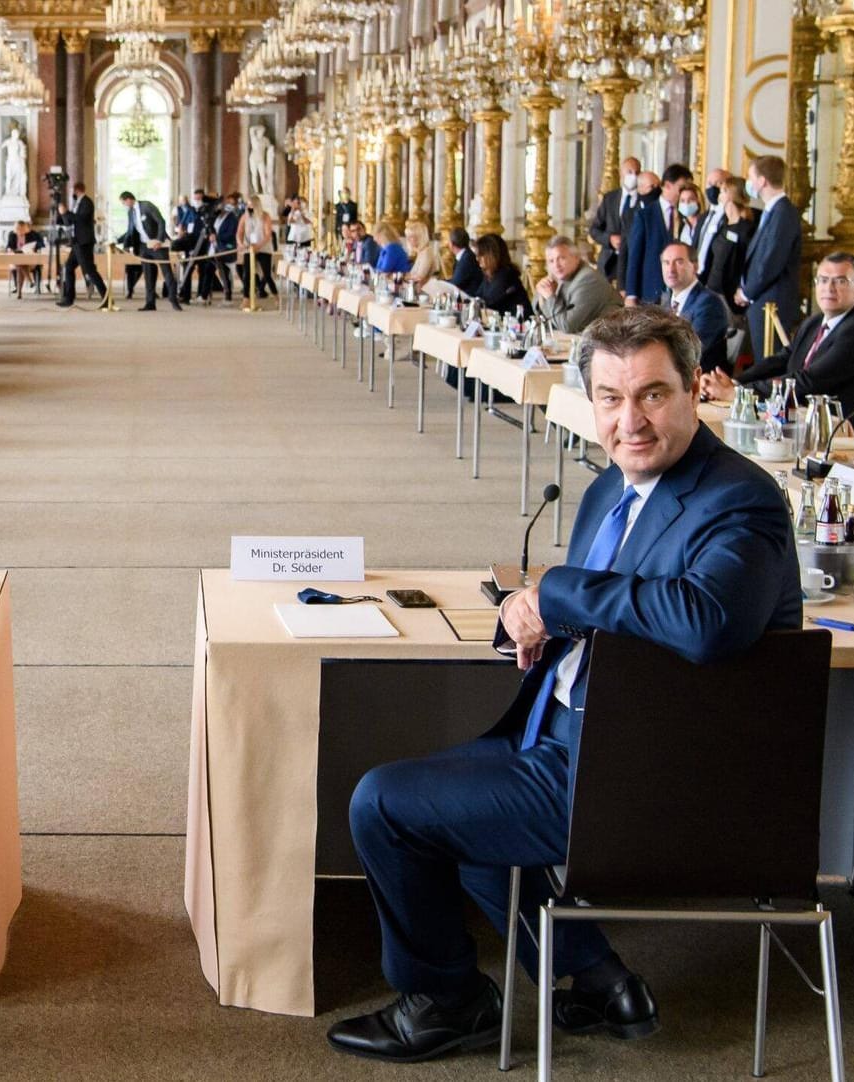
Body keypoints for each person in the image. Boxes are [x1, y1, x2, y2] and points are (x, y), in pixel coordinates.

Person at [326, 306, 800, 1066]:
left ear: (694, 394)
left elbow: (709, 618)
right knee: (460, 815)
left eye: (651, 394)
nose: (630, 420)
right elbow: (602, 605)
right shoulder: (613, 488)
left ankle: (447, 1003)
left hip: (641, 776)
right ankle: (599, 979)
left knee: (383, 803)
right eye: (610, 399)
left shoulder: (738, 500)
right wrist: (536, 617)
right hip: (571, 736)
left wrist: (559, 593)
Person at [699, 252, 854, 437]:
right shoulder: (814, 323)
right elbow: (782, 360)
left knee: (734, 432)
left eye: (840, 281)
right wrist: (736, 383)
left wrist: (740, 394)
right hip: (803, 413)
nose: (829, 288)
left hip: (842, 422)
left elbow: (810, 380)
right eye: (823, 280)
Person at [736, 155, 802, 362]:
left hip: (773, 303)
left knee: (769, 364)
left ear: (762, 181)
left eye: (751, 177)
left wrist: (747, 292)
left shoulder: (784, 212)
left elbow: (771, 261)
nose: (749, 182)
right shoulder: (773, 211)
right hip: (762, 302)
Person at [658, 241, 730, 374]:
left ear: (695, 266)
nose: (671, 269)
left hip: (701, 382)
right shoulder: (666, 302)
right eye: (666, 263)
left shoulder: (709, 303)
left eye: (678, 262)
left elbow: (691, 352)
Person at [533, 235, 621, 333]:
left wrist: (550, 297)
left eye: (561, 258)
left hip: (609, 341)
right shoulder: (561, 276)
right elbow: (541, 319)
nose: (556, 265)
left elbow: (567, 326)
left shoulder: (588, 279)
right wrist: (542, 293)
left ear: (576, 258)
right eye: (551, 261)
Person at [117, 191, 182, 311]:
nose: (124, 205)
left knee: (167, 272)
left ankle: (173, 300)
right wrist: (119, 242)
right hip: (144, 246)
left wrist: (159, 240)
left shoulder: (147, 206)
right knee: (148, 274)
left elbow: (161, 221)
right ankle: (150, 302)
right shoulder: (130, 212)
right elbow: (131, 231)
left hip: (158, 244)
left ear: (129, 199)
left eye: (123, 203)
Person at [699, 178, 757, 312]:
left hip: (728, 295)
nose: (719, 194)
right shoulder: (723, 224)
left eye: (723, 191)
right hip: (711, 290)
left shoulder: (746, 229)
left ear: (732, 194)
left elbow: (748, 262)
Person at [587, 156, 641, 284]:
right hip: (609, 263)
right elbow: (594, 230)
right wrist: (610, 239)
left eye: (637, 172)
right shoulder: (610, 198)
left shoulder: (644, 200)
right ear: (621, 173)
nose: (633, 176)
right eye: (629, 172)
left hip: (632, 263)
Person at [57, 179, 109, 310]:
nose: (71, 193)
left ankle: (106, 297)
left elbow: (81, 220)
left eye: (72, 191)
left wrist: (67, 213)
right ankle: (69, 298)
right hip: (76, 242)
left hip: (84, 242)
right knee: (69, 267)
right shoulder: (77, 203)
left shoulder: (87, 202)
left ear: (77, 190)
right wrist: (63, 215)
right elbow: (70, 220)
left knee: (90, 270)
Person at [620, 171, 670, 305]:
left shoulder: (671, 211)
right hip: (646, 288)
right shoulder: (633, 214)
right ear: (640, 189)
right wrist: (628, 290)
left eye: (658, 185)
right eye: (652, 187)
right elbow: (629, 252)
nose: (657, 190)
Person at [472, 233, 530, 316]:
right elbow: (478, 297)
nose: (477, 259)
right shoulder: (490, 275)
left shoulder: (506, 275)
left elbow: (490, 303)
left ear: (492, 255)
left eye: (481, 255)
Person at [241, 196, 276, 299]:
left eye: (250, 204)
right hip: (249, 247)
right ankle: (246, 298)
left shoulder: (265, 216)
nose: (248, 207)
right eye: (247, 205)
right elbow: (239, 232)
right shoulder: (245, 217)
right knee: (246, 273)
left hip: (263, 247)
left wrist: (259, 245)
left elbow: (268, 234)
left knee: (267, 274)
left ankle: (276, 296)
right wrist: (241, 244)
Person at [4, 220, 46, 296]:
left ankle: (20, 291)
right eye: (17, 229)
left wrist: (34, 247)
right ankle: (29, 281)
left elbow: (42, 245)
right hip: (16, 259)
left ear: (25, 228)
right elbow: (8, 246)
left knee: (20, 265)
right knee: (19, 264)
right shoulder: (12, 235)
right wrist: (9, 249)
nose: (19, 231)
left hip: (30, 260)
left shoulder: (32, 234)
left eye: (21, 229)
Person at [444, 228, 483, 295]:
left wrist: (438, 283)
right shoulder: (465, 255)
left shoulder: (467, 258)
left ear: (452, 244)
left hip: (470, 297)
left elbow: (455, 283)